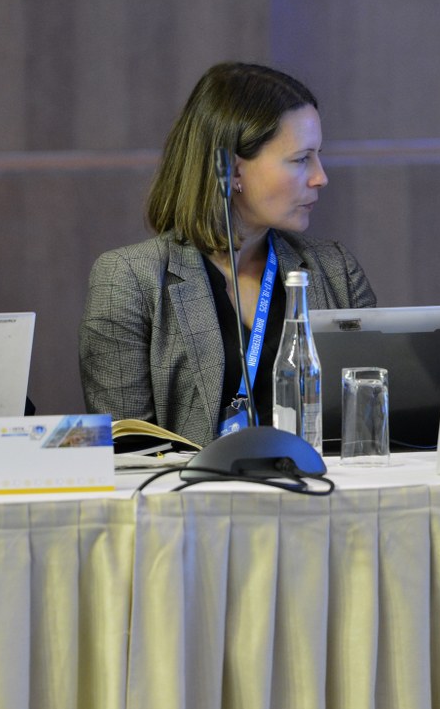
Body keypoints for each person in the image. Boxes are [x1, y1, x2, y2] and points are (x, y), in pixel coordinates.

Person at [79, 62, 376, 442]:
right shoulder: (128, 280)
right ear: (234, 172)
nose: (321, 177)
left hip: (321, 479)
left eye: (318, 155)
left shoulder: (335, 269)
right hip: (190, 483)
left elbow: (374, 422)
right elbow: (126, 449)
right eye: (302, 159)